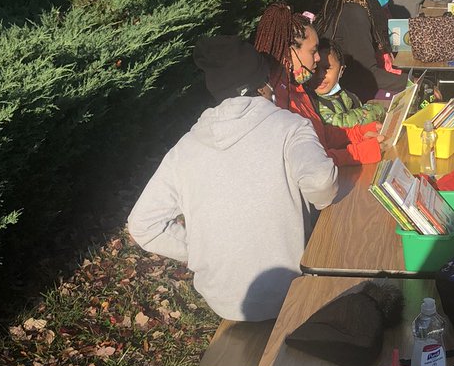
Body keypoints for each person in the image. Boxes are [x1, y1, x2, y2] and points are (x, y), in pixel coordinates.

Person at [128, 37, 338, 320]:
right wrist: (320, 203)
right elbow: (321, 181)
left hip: (222, 300)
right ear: (264, 83)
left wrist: (203, 250)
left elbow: (143, 225)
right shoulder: (290, 127)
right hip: (290, 290)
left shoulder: (186, 147)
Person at [254, 3, 382, 167]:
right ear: (290, 51)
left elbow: (321, 134)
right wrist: (361, 152)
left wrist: (360, 132)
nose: (317, 59)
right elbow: (311, 162)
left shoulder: (295, 88)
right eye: (313, 51)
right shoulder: (274, 103)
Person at [318, 0, 408, 103]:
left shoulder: (356, 5)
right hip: (356, 92)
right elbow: (368, 73)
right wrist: (411, 82)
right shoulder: (354, 14)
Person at [309, 39, 390, 128]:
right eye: (315, 68)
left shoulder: (350, 97)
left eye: (327, 68)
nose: (321, 75)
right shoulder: (311, 103)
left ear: (341, 70)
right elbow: (339, 124)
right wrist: (377, 110)